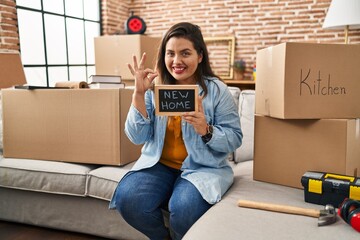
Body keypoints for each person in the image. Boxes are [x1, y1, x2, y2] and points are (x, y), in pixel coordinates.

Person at [109, 22, 243, 240]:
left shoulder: (218, 91)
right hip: (159, 165)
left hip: (202, 168)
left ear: (200, 56)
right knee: (128, 199)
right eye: (170, 53)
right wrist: (138, 95)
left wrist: (206, 130)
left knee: (184, 210)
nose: (177, 61)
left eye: (185, 53)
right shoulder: (155, 89)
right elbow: (137, 137)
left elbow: (234, 139)